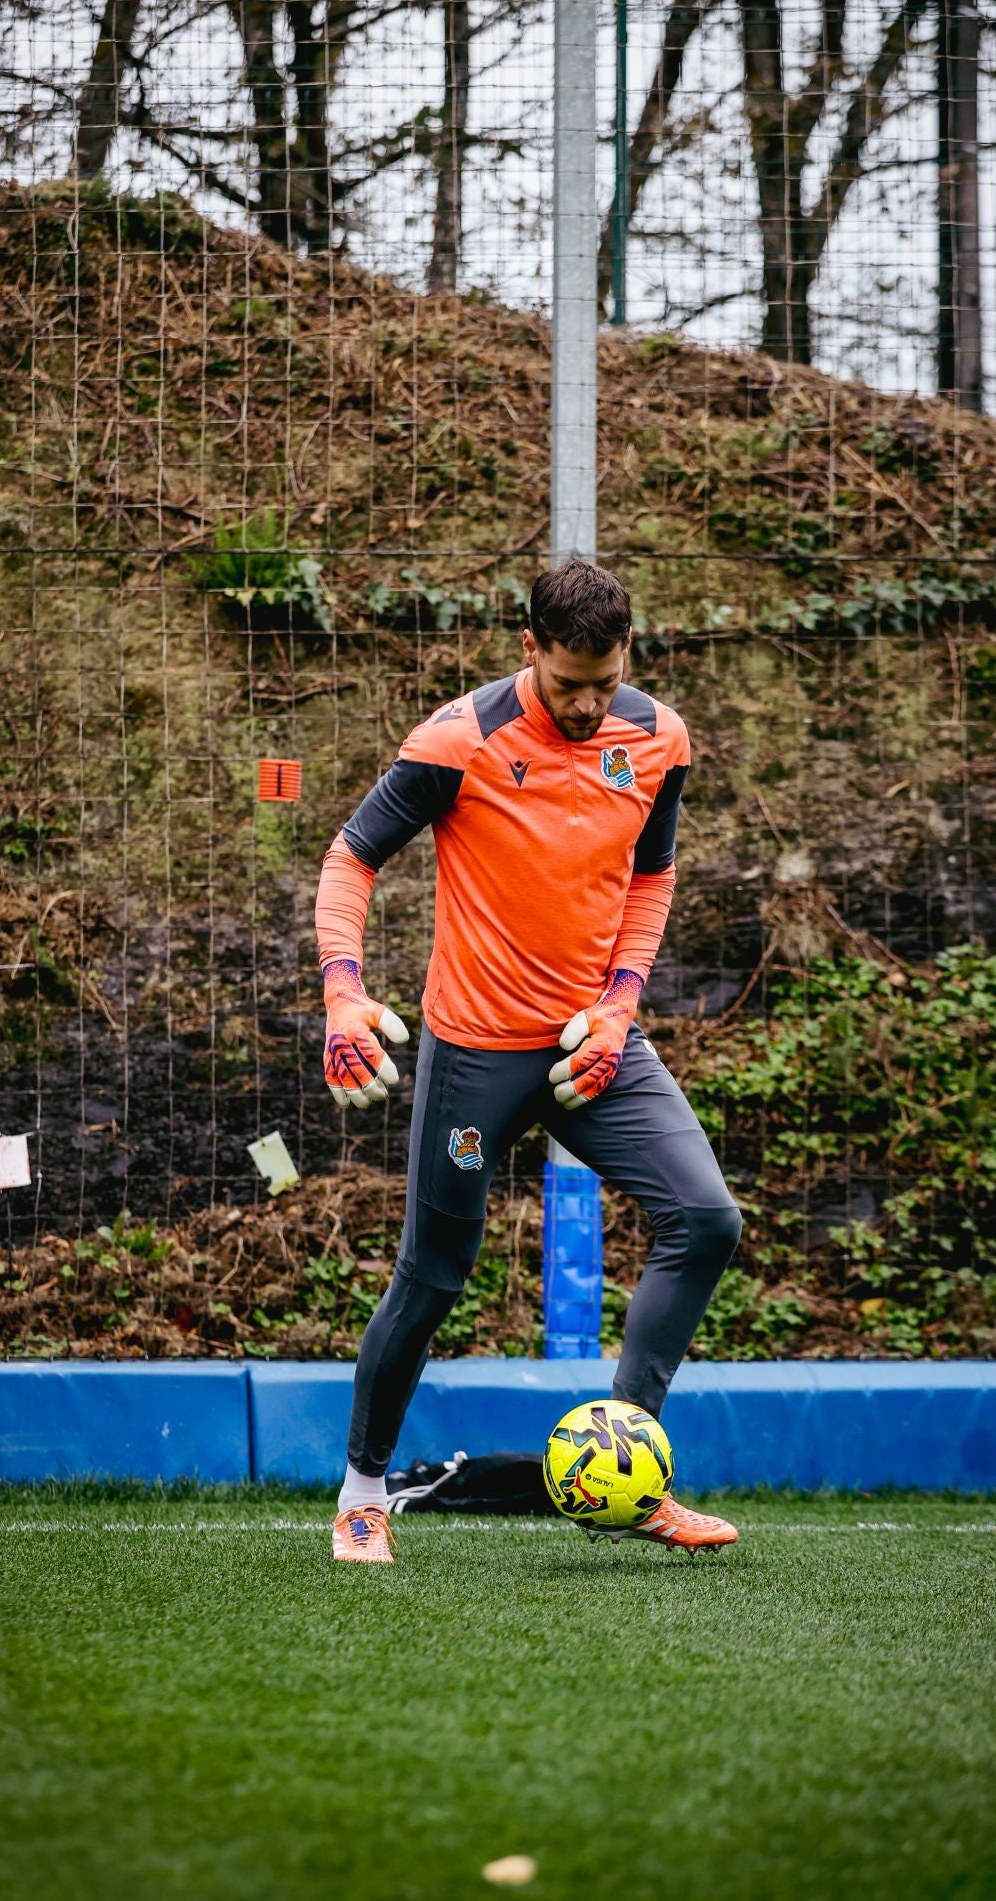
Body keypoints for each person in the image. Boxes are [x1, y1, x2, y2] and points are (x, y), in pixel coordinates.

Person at [313, 560, 744, 1564]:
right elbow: (351, 856)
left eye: (605, 681)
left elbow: (653, 875)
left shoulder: (659, 738)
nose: (588, 705)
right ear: (529, 652)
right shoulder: (458, 739)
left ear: (626, 652)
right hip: (471, 1054)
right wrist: (344, 990)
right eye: (566, 687)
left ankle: (627, 1475)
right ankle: (363, 1492)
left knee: (706, 1219)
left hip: (595, 1050)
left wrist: (620, 1004)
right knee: (434, 1276)